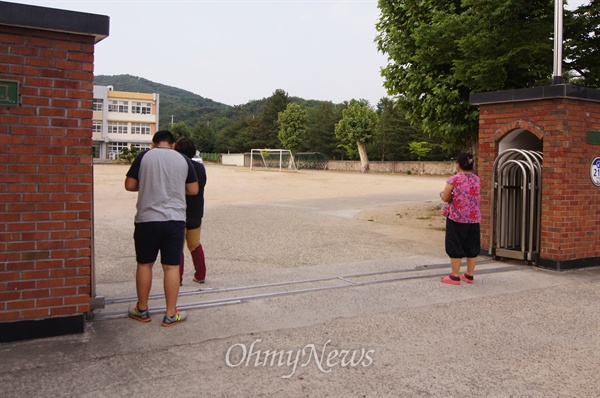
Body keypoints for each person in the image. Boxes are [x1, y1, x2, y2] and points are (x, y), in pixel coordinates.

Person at [124, 130, 199, 326]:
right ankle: (170, 314)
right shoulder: (183, 159)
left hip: (147, 219)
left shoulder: (144, 156)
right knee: (171, 266)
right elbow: (193, 189)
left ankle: (142, 310)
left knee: (144, 264)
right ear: (173, 144)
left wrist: (150, 185)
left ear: (153, 143)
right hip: (174, 220)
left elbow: (129, 185)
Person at [439, 152, 481, 285]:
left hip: (457, 217)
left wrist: (442, 194)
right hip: (474, 218)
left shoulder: (454, 179)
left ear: (458, 165)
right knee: (472, 246)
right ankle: (469, 275)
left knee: (455, 244)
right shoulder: (477, 179)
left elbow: (446, 198)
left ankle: (455, 276)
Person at [174, 137, 207, 285]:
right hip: (195, 211)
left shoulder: (176, 166)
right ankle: (200, 275)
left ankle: (177, 278)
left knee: (177, 246)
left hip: (178, 211)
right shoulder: (200, 167)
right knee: (195, 244)